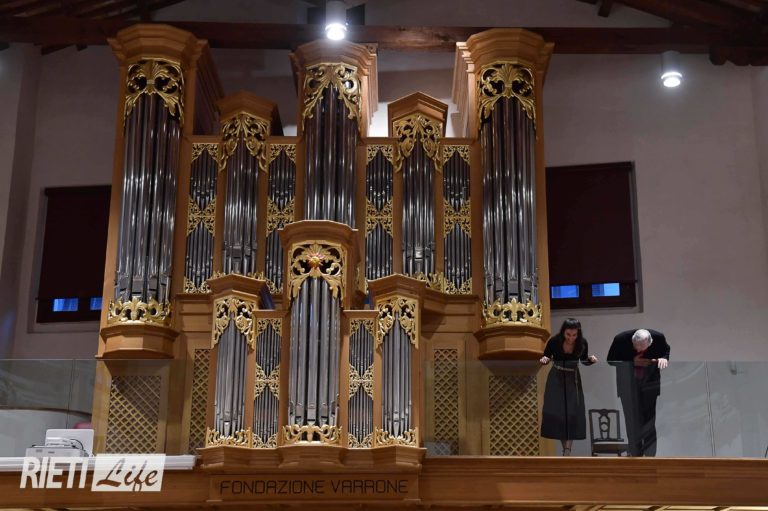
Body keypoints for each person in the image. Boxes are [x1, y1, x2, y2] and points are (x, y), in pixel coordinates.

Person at [539, 318, 598, 456]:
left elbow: (584, 361)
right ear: (563, 332)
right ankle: (566, 450)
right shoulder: (554, 341)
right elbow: (546, 356)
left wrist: (591, 360)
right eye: (568, 334)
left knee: (572, 413)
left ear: (578, 333)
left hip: (573, 379)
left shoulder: (582, 343)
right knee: (558, 413)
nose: (571, 338)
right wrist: (544, 359)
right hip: (556, 378)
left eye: (574, 335)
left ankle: (567, 450)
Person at [607, 329, 670, 457]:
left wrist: (663, 359)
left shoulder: (658, 338)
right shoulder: (621, 339)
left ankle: (650, 456)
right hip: (628, 387)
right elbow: (610, 360)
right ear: (632, 341)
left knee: (649, 422)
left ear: (650, 342)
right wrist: (632, 361)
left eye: (643, 347)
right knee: (631, 422)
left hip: (649, 387)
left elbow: (666, 351)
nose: (639, 350)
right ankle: (636, 456)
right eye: (637, 346)